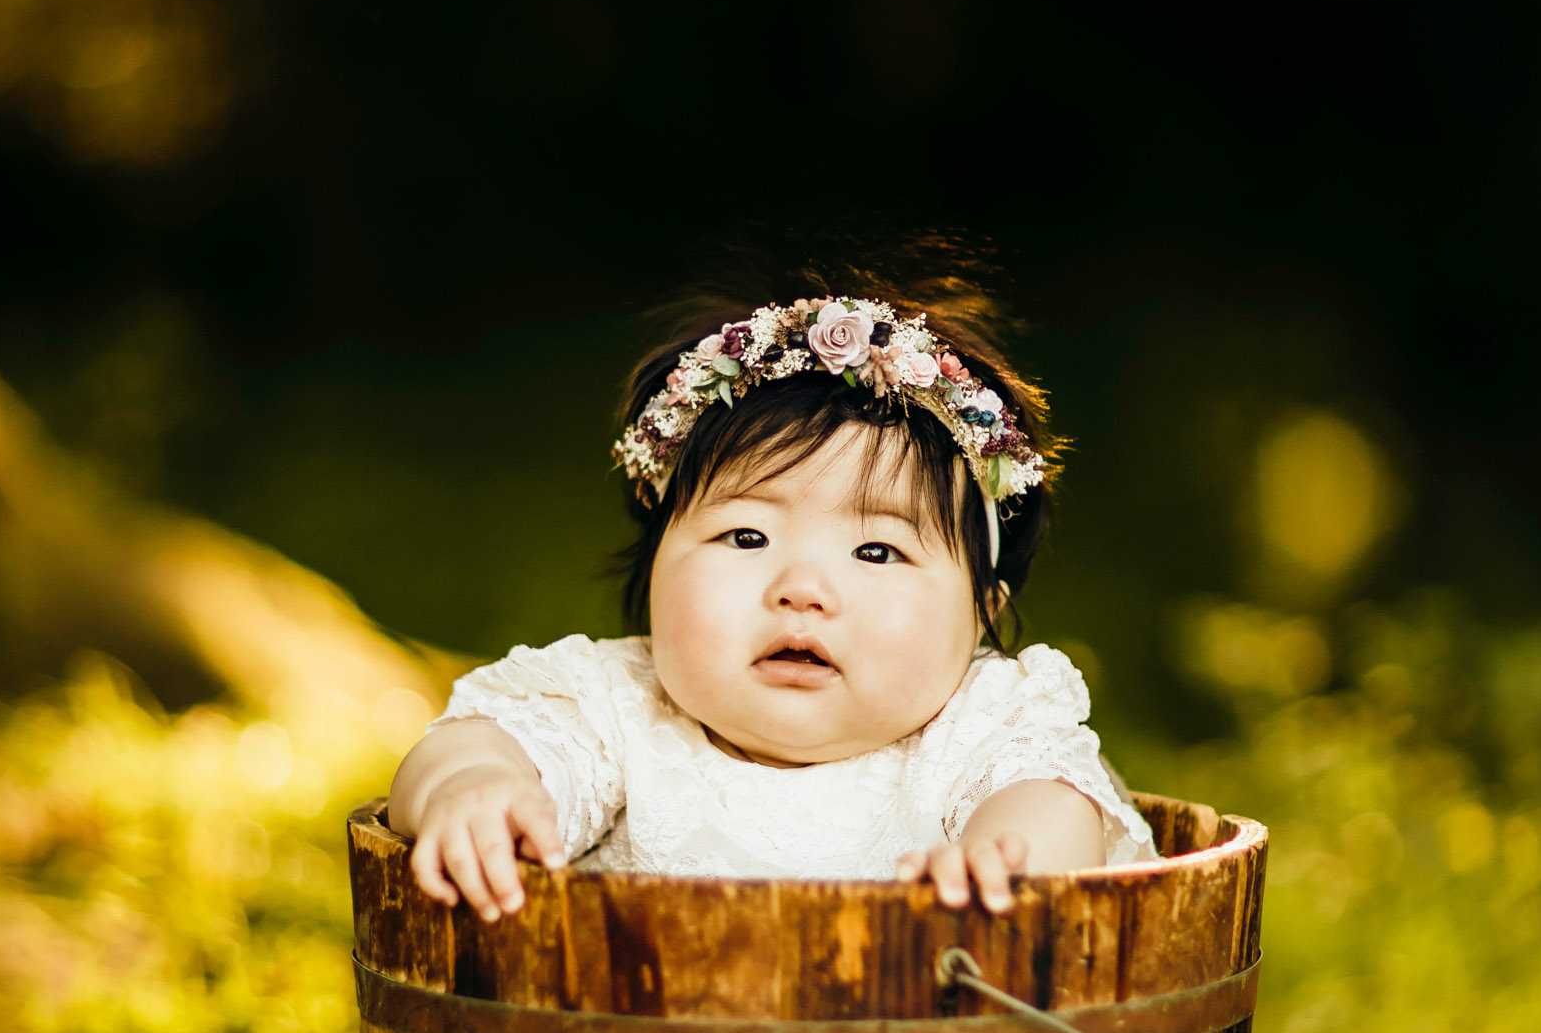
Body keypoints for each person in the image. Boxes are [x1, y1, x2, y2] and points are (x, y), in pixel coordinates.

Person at [388, 286, 1156, 917]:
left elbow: (1050, 804)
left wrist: (1004, 862)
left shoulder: (981, 726)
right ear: (656, 565)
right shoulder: (619, 710)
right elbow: (485, 744)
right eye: (746, 538)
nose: (801, 590)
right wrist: (469, 785)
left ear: (982, 613)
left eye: (876, 552)